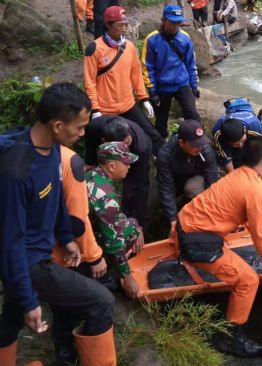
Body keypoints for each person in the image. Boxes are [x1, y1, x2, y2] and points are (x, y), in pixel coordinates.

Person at [0, 83, 116, 366]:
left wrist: (66, 237)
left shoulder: (51, 149)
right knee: (101, 300)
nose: (81, 134)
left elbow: (54, 200)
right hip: (27, 259)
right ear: (57, 125)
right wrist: (30, 299)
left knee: (13, 312)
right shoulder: (15, 172)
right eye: (79, 128)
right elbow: (11, 241)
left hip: (35, 250)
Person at [176, 135, 262, 357]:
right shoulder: (255, 188)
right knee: (248, 280)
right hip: (196, 240)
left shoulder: (242, 176)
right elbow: (261, 239)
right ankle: (231, 338)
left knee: (249, 274)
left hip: (186, 224)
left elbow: (251, 220)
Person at [50, 144, 108, 365]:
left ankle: (65, 344)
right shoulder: (70, 162)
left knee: (61, 301)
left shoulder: (32, 153)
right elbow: (78, 221)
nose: (83, 133)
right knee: (79, 303)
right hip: (67, 253)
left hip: (41, 247)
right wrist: (94, 256)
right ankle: (69, 347)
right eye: (80, 126)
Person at [84, 5, 164, 156]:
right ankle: (93, 166)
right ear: (108, 25)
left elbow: (136, 75)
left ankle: (166, 158)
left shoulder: (130, 47)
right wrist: (95, 110)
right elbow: (89, 83)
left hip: (127, 104)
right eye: (120, 25)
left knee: (151, 133)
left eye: (126, 24)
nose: (125, 28)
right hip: (105, 109)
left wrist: (144, 98)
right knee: (101, 141)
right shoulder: (94, 49)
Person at [86, 141, 145, 299]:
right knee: (130, 228)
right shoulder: (105, 196)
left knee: (132, 224)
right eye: (126, 163)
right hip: (83, 244)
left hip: (86, 231)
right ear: (111, 166)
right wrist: (128, 278)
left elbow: (114, 218)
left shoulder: (93, 174)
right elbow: (114, 242)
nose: (129, 166)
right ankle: (100, 275)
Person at [141, 4, 201, 139]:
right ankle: (162, 146)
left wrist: (194, 86)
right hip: (162, 86)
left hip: (182, 83)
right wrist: (152, 90)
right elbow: (146, 66)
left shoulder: (185, 38)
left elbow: (190, 63)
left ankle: (196, 141)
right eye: (172, 22)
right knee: (161, 120)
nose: (175, 26)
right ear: (163, 20)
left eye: (178, 22)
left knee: (192, 114)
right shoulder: (152, 39)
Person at [85, 115, 153, 226]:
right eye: (123, 145)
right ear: (105, 142)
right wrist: (90, 162)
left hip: (138, 154)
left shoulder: (141, 148)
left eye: (128, 141)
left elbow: (142, 186)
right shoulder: (95, 126)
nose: (127, 145)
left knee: (131, 189)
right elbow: (90, 142)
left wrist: (139, 223)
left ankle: (123, 219)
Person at [157, 119, 218, 230]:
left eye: (201, 143)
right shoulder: (165, 154)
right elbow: (166, 187)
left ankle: (195, 215)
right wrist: (173, 219)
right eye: (195, 144)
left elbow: (212, 183)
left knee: (192, 189)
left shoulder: (206, 150)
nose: (199, 148)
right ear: (181, 142)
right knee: (153, 201)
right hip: (174, 182)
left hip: (195, 181)